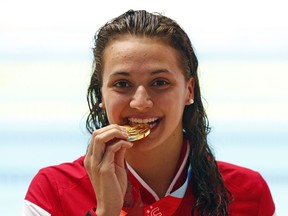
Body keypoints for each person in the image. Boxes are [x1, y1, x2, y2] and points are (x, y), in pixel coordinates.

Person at [23, 10, 275, 216]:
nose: (140, 102)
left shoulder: (246, 192)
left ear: (189, 90)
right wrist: (107, 211)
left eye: (160, 83)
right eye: (122, 84)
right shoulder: (52, 192)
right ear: (101, 94)